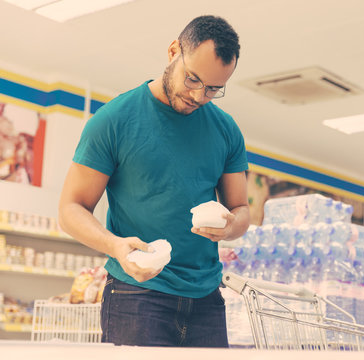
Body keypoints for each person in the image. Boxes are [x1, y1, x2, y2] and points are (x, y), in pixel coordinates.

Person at [58, 15, 249, 348]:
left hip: (207, 298)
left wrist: (231, 227)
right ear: (174, 50)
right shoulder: (114, 120)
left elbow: (241, 209)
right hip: (136, 295)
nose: (198, 95)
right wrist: (115, 246)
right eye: (193, 79)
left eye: (213, 89)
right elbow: (70, 209)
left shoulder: (226, 130)